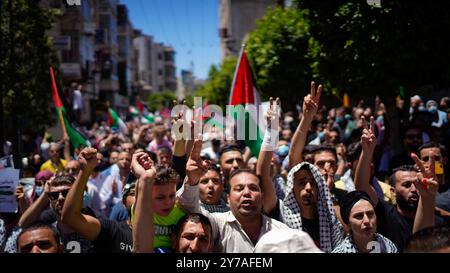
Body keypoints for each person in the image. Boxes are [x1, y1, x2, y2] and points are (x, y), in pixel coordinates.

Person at [178, 138, 290, 253]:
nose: (246, 193)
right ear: (228, 198)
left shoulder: (281, 232)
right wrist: (192, 181)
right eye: (239, 188)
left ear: (262, 196)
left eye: (253, 188)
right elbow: (189, 206)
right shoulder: (218, 224)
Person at [354, 116, 443, 251]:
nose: (414, 189)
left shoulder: (437, 222)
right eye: (407, 185)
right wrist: (367, 152)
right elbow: (361, 187)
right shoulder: (385, 214)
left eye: (418, 184)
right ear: (392, 191)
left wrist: (428, 196)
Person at [18, 173, 94, 253]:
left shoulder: (94, 227)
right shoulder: (47, 233)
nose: (60, 198)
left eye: (66, 193)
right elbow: (24, 224)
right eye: (54, 195)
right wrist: (45, 194)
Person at [332, 191, 398, 253]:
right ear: (348, 223)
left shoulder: (388, 246)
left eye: (370, 214)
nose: (366, 220)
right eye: (359, 216)